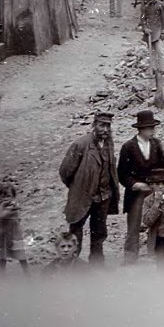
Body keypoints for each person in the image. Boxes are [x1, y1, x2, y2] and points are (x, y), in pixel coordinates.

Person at [59, 110, 120, 263]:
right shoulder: (80, 144)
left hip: (103, 197)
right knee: (76, 231)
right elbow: (65, 172)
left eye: (108, 126)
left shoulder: (109, 144)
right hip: (82, 197)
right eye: (101, 125)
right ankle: (73, 263)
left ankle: (96, 263)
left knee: (99, 232)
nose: (105, 129)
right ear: (94, 125)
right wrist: (78, 187)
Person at [118, 110, 164, 263]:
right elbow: (122, 173)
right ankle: (130, 256)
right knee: (134, 224)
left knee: (155, 220)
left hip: (154, 190)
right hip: (136, 193)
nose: (152, 130)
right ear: (140, 129)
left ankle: (154, 253)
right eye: (149, 127)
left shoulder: (156, 144)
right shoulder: (128, 147)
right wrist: (135, 184)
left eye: (153, 127)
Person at [0, 178, 29, 271]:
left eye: (8, 196)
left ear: (13, 197)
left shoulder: (13, 206)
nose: (5, 199)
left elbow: (0, 215)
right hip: (2, 233)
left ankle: (26, 272)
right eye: (2, 197)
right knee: (2, 254)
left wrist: (2, 206)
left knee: (20, 252)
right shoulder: (1, 206)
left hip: (13, 233)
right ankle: (2, 273)